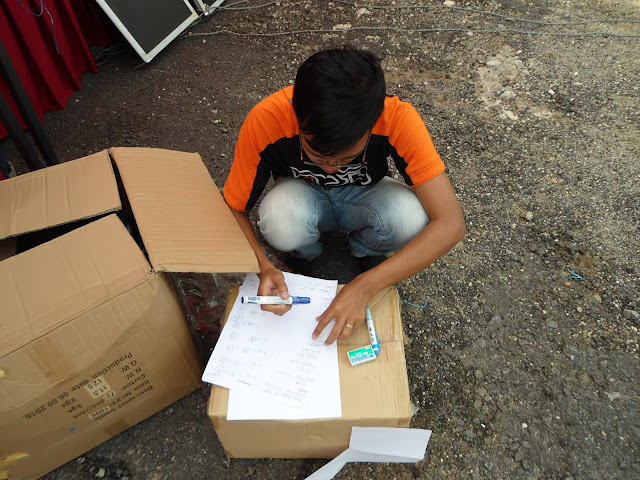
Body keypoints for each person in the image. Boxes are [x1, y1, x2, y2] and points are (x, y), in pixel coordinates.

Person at [223, 46, 466, 345]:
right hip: (302, 195)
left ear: (374, 120)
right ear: (296, 114)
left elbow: (451, 223)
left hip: (365, 194)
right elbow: (234, 206)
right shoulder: (267, 119)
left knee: (410, 217)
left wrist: (365, 286)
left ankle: (366, 250)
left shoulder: (397, 118)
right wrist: (264, 266)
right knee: (280, 220)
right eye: (317, 154)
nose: (330, 167)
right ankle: (303, 254)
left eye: (346, 157)